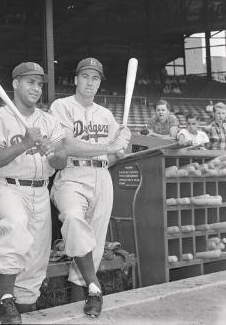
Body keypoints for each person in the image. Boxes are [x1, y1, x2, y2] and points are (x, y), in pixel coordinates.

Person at [0, 62, 67, 324]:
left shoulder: (49, 121)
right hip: (6, 188)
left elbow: (61, 160)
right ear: (15, 84)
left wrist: (52, 150)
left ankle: (23, 313)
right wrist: (25, 144)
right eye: (30, 82)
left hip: (40, 191)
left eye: (39, 84)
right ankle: (6, 300)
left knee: (35, 262)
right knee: (15, 226)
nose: (36, 88)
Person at [49, 57, 130, 318]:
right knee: (72, 219)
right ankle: (95, 285)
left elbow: (119, 152)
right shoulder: (61, 106)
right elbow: (66, 146)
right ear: (76, 79)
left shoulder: (106, 115)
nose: (90, 82)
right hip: (72, 173)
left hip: (101, 176)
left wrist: (122, 142)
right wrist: (109, 147)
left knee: (95, 244)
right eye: (85, 76)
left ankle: (85, 299)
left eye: (95, 78)